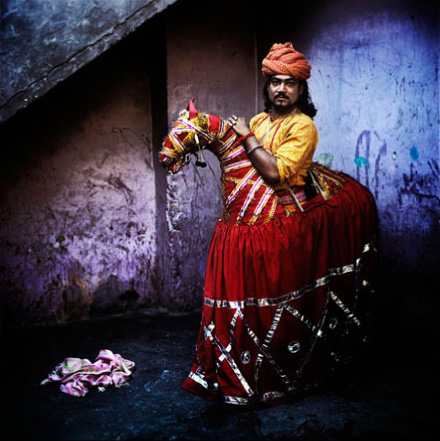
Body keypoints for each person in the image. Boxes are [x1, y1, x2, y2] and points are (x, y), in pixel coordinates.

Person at [180, 42, 377, 406]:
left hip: (286, 217)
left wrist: (246, 136)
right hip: (256, 213)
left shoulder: (303, 127)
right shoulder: (258, 121)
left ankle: (278, 370)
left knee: (275, 292)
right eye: (275, 82)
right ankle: (240, 359)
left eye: (289, 83)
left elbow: (273, 173)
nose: (281, 89)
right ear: (267, 86)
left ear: (301, 89)